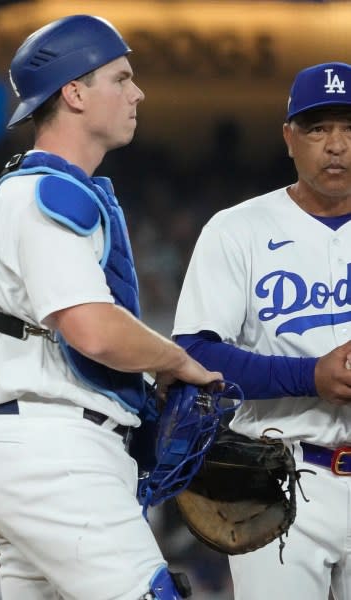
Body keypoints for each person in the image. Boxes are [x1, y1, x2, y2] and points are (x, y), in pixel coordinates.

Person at [0, 15, 222, 600]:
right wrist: (175, 362)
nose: (138, 94)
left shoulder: (39, 188)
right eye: (121, 78)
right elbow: (92, 329)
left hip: (40, 446)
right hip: (58, 453)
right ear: (74, 92)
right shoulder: (45, 192)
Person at [172, 61, 351, 599]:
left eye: (349, 128)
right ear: (288, 138)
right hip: (283, 483)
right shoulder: (238, 230)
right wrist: (310, 376)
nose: (336, 145)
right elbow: (195, 355)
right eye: (318, 128)